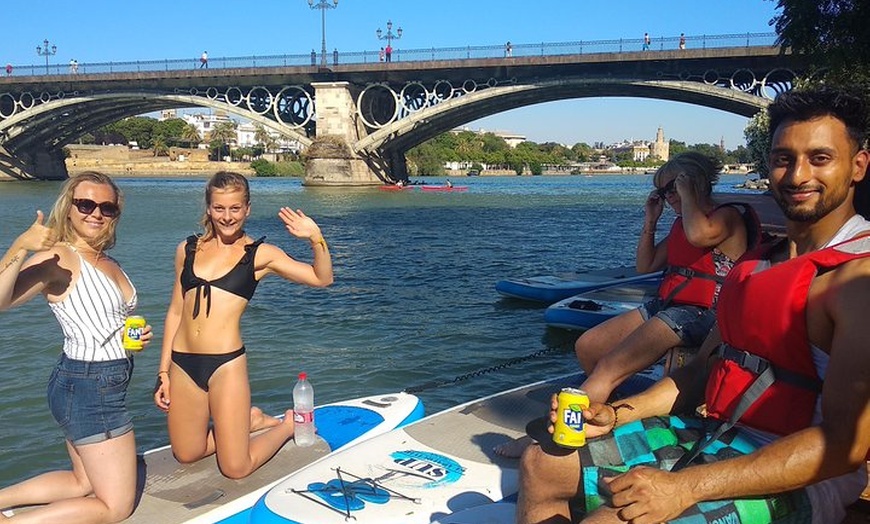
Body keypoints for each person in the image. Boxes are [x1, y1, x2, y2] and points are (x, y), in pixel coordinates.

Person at [517, 87, 870, 524]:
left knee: (614, 518)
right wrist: (617, 413)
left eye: (820, 158)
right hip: (719, 433)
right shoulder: (758, 265)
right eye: (783, 159)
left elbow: (843, 445)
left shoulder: (859, 282)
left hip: (801, 475)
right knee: (541, 464)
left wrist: (683, 486)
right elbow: (703, 371)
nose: (797, 175)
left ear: (858, 166)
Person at [495, 152, 759, 458]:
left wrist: (687, 197)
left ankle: (552, 439)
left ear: (694, 182)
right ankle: (601, 415)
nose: (669, 196)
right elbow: (646, 265)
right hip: (670, 306)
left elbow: (700, 236)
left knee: (609, 367)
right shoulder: (681, 226)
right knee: (589, 347)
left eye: (674, 187)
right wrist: (651, 220)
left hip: (703, 315)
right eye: (662, 191)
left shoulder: (725, 217)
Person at [153, 171, 333, 479]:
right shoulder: (187, 249)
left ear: (247, 209)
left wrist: (316, 238)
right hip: (183, 363)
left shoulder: (259, 254)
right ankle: (249, 421)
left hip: (226, 365)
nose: (227, 217)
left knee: (236, 467)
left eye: (235, 208)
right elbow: (175, 312)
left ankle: (287, 425)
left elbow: (321, 278)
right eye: (219, 208)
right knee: (186, 454)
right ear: (208, 208)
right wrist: (163, 373)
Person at [0, 171, 153, 523]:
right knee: (115, 508)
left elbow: (104, 316)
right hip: (90, 386)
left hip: (89, 380)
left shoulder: (105, 259)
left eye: (106, 207)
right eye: (85, 204)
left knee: (83, 482)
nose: (95, 213)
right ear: (68, 207)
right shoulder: (59, 258)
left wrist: (134, 335)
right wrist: (21, 245)